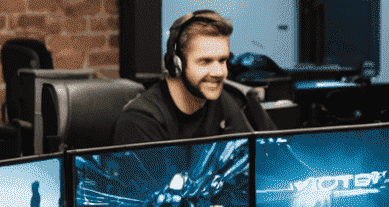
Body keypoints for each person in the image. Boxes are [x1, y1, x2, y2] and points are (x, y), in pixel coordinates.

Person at [113, 10, 275, 145]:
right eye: (205, 61)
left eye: (222, 60)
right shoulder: (141, 121)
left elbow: (282, 159)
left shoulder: (236, 101)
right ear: (178, 63)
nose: (219, 72)